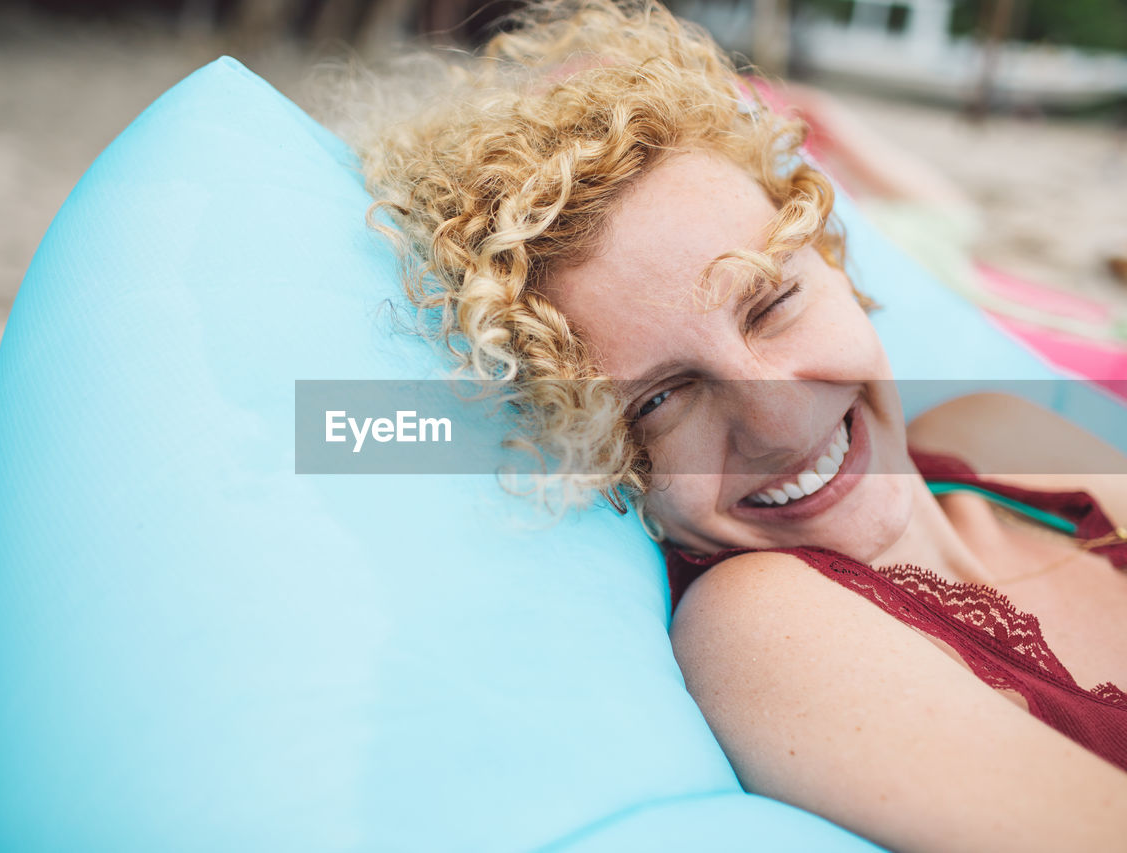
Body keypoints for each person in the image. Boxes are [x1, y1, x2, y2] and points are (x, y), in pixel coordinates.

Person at [355, 1, 1127, 849]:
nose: (778, 416)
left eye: (772, 303)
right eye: (661, 398)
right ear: (605, 456)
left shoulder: (1003, 434)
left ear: (833, 262)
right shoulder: (764, 626)